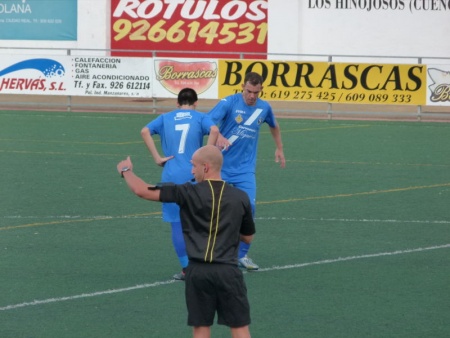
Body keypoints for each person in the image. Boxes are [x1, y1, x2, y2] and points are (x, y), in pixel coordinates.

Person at [117, 145, 254, 338]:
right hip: (228, 272)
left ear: (205, 167)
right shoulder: (241, 197)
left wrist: (126, 170)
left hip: (197, 272)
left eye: (194, 166)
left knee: (201, 328)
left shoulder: (186, 192)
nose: (191, 170)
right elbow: (247, 236)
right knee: (239, 328)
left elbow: (142, 190)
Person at [208, 71, 286, 270]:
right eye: (249, 91)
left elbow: (274, 126)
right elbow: (207, 122)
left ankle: (241, 256)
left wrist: (279, 148)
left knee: (249, 210)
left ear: (261, 90)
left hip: (245, 171)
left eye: (256, 92)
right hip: (221, 168)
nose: (252, 96)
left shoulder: (264, 107)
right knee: (214, 211)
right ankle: (212, 252)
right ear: (242, 86)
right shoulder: (228, 103)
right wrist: (218, 137)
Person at [141, 88, 219, 280]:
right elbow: (215, 130)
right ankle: (209, 262)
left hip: (171, 175)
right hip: (195, 174)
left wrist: (157, 158)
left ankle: (186, 269)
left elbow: (144, 131)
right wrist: (207, 152)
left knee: (177, 224)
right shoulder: (200, 117)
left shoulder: (165, 117)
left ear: (177, 103)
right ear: (196, 103)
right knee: (202, 220)